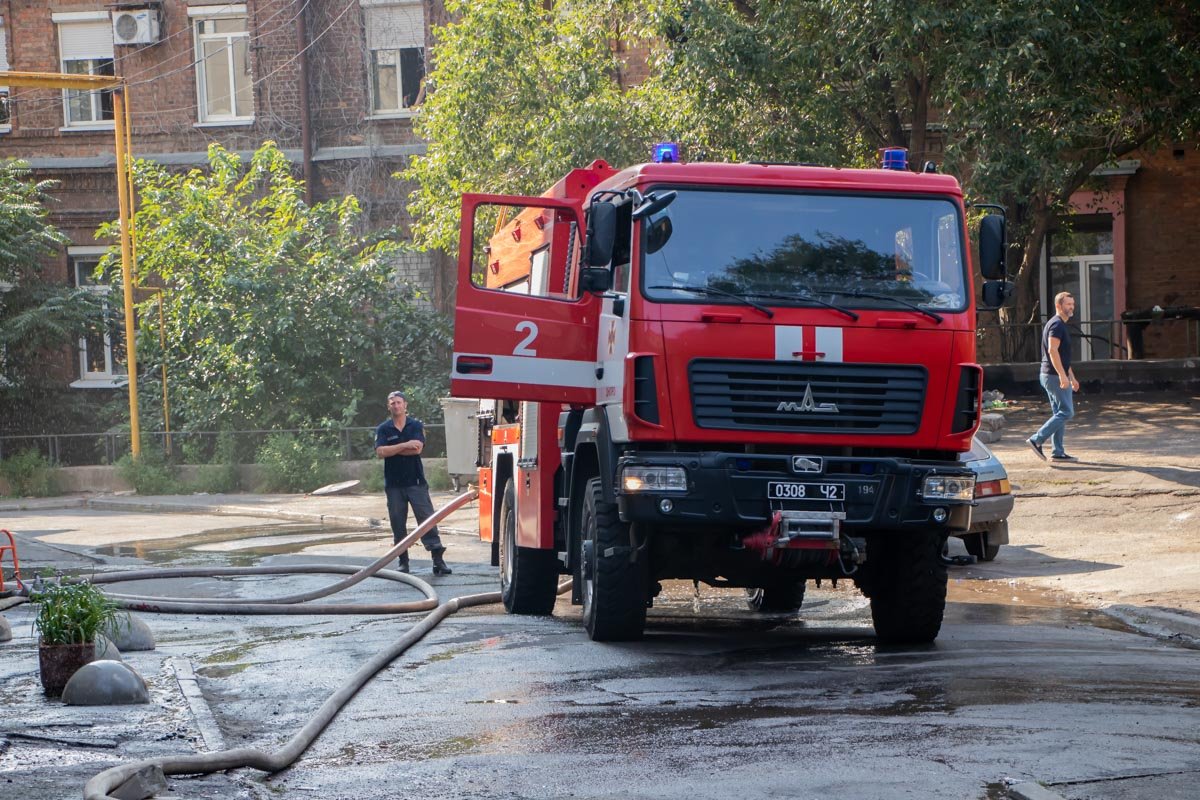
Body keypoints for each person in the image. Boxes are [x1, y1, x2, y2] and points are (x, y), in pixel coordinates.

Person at [375, 390, 452, 575]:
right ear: (389, 406)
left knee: (427, 519)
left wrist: (393, 449)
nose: (396, 405)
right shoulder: (383, 429)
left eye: (399, 402)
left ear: (405, 405)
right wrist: (403, 445)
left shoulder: (415, 425)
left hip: (416, 482)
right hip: (394, 485)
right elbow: (380, 452)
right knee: (397, 523)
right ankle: (403, 561)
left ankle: (438, 560)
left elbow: (416, 449)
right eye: (392, 403)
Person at [1027, 292, 1081, 464]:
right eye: (1068, 304)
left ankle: (1058, 452)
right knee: (1067, 412)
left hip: (1053, 375)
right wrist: (1062, 376)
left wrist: (1071, 377)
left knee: (1060, 413)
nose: (1071, 307)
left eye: (1072, 304)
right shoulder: (1057, 324)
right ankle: (1036, 439)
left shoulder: (1059, 324)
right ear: (1059, 306)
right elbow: (1052, 350)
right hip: (1052, 375)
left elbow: (1064, 357)